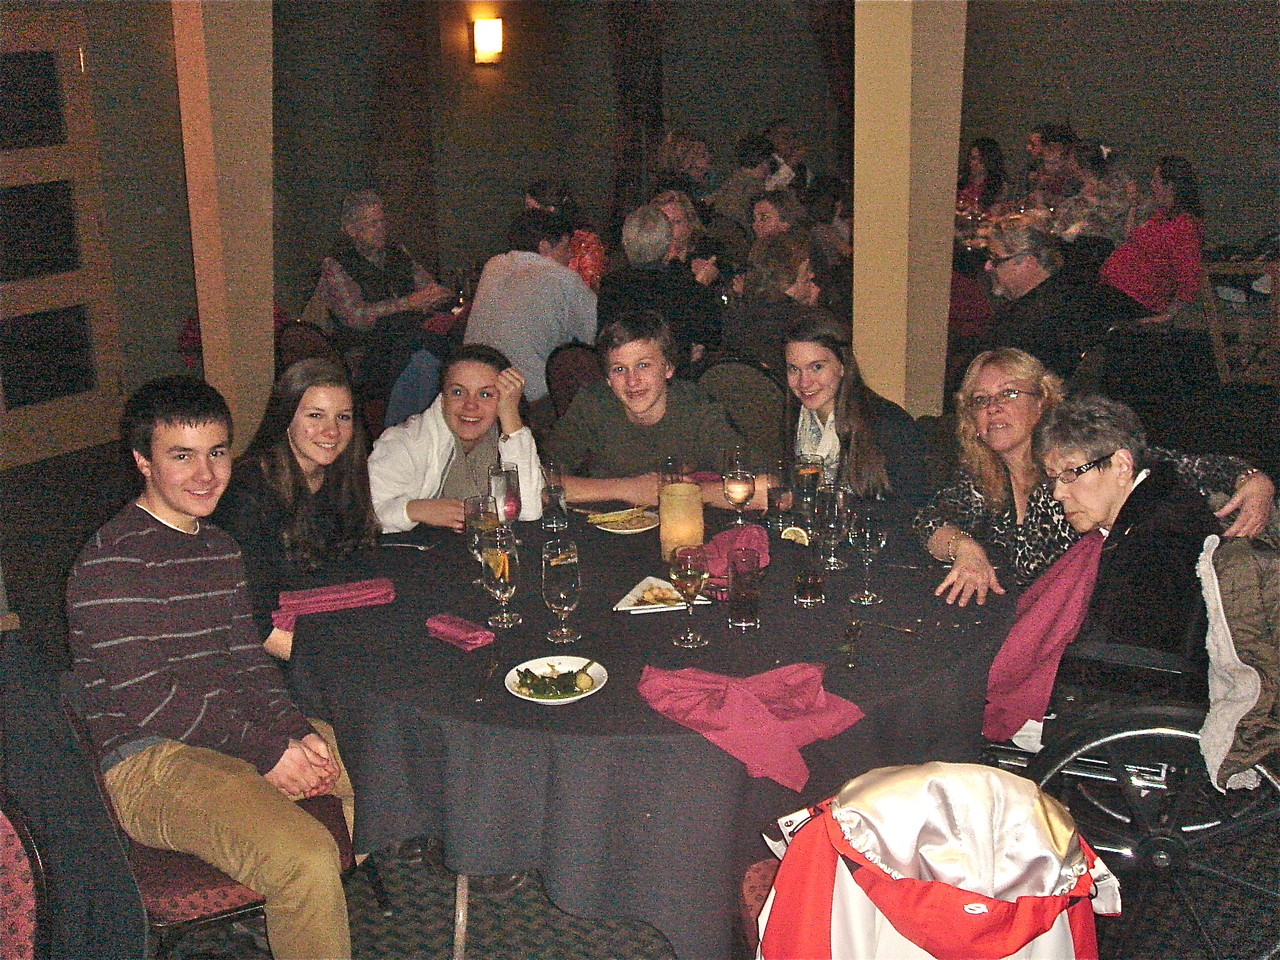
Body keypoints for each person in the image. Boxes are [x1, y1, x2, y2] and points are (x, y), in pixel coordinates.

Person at [66, 375, 356, 960]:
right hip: (147, 761)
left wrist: (294, 731)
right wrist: (267, 751)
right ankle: (295, 889)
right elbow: (155, 704)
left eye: (217, 453)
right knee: (305, 855)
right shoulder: (109, 565)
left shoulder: (219, 548)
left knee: (376, 767)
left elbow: (249, 667)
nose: (206, 475)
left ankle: (289, 911)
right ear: (143, 461)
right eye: (182, 457)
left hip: (220, 735)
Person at [913, 348, 1274, 606]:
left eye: (1009, 393)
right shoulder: (982, 477)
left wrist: (1253, 478)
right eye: (980, 400)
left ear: (1042, 400)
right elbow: (928, 519)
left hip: (1088, 632)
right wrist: (964, 547)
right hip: (1020, 620)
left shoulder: (1081, 459)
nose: (993, 408)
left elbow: (1179, 468)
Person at [212, 358, 380, 660]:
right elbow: (253, 624)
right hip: (268, 652)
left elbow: (356, 564)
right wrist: (338, 663)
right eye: (315, 415)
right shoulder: (246, 495)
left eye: (343, 417)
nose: (332, 431)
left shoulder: (343, 475)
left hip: (326, 624)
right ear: (286, 418)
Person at [1037, 394, 1219, 655]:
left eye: (1069, 474)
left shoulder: (1161, 542)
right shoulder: (1138, 519)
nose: (1057, 493)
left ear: (1121, 466)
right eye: (1053, 479)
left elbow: (1129, 664)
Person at [547, 311, 766, 507]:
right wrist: (630, 489)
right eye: (619, 369)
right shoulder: (593, 404)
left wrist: (683, 492)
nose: (632, 381)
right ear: (607, 378)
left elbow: (768, 486)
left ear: (668, 368)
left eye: (643, 365)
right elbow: (540, 481)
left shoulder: (696, 410)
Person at [368, 343, 543, 533]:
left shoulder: (500, 437)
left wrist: (510, 414)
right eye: (458, 392)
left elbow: (529, 510)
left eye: (485, 394)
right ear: (443, 399)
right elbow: (360, 517)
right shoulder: (404, 443)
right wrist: (414, 509)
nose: (470, 405)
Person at [464, 208, 597, 432]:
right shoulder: (564, 279)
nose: (570, 257)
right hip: (528, 401)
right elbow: (594, 338)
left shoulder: (493, 265)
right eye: (565, 248)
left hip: (473, 389)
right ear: (544, 247)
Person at [315, 190, 454, 401]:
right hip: (367, 351)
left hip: (408, 340)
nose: (381, 230)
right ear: (352, 230)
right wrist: (408, 303)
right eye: (373, 224)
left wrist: (435, 299)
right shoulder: (336, 264)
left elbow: (433, 290)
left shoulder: (397, 252)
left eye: (382, 222)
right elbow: (355, 317)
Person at [783, 315, 928, 509]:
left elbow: (914, 510)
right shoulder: (794, 419)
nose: (804, 382)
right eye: (794, 369)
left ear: (843, 365)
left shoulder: (889, 424)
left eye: (816, 367)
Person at [980, 213, 1114, 378]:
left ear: (1028, 262)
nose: (988, 266)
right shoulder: (1073, 293)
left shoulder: (1025, 324)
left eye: (995, 259)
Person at [598, 204, 721, 366]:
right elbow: (712, 339)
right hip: (672, 380)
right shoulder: (682, 286)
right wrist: (701, 288)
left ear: (625, 243)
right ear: (668, 244)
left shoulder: (611, 284)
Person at [1099, 155, 1204, 323]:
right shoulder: (1161, 215)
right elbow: (1130, 237)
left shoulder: (1184, 226)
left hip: (1136, 298)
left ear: (1170, 186)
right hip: (1116, 290)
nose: (1151, 185)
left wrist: (1168, 315)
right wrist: (1133, 206)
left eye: (1156, 181)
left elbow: (1189, 276)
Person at [721, 231, 829, 374]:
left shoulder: (736, 315)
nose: (811, 275)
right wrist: (813, 313)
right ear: (788, 276)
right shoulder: (802, 322)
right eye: (806, 269)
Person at [524, 178, 607, 291]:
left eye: (531, 209)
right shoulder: (527, 237)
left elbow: (589, 288)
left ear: (550, 209)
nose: (527, 215)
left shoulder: (585, 242)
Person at [956, 136, 1009, 215]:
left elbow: (996, 212)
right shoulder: (962, 179)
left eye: (980, 160)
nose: (974, 163)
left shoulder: (999, 186)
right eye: (972, 158)